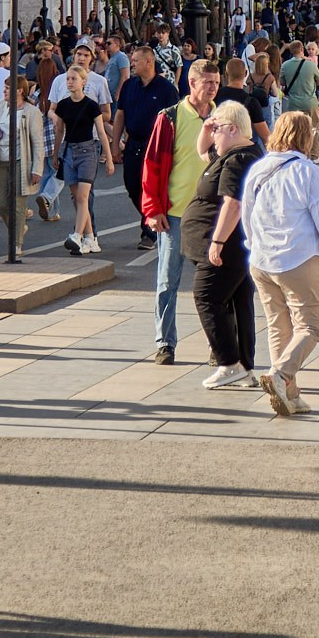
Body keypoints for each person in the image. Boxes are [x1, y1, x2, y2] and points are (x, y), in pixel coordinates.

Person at [241, 111, 319, 416]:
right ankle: (281, 375)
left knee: (279, 327)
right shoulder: (308, 172)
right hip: (298, 257)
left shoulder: (259, 168)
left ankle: (290, 394)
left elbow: (247, 213)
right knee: (311, 326)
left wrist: (254, 245)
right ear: (307, 136)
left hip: (262, 259)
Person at [140, 59, 222, 365]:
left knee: (215, 283)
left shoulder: (223, 117)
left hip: (213, 213)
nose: (213, 88)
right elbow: (152, 165)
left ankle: (218, 344)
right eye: (208, 82)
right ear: (192, 83)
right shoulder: (170, 117)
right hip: (175, 212)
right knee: (167, 280)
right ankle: (165, 343)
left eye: (216, 83)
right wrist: (153, 209)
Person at [184, 100, 264, 391]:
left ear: (232, 129)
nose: (212, 135)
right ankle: (244, 368)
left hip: (226, 246)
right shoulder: (232, 153)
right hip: (232, 246)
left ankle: (229, 363)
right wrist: (207, 128)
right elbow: (202, 151)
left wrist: (217, 241)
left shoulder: (238, 159)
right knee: (238, 302)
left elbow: (233, 204)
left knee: (207, 296)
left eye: (216, 129)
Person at [112, 47, 177, 252]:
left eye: (136, 61)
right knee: (132, 186)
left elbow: (175, 122)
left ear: (149, 62)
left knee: (150, 187)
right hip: (134, 144)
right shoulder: (129, 85)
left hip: (156, 146)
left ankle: (149, 232)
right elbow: (120, 115)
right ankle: (151, 218)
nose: (132, 64)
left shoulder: (166, 89)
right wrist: (115, 145)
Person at [52, 65, 112, 256]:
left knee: (83, 196)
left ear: (83, 82)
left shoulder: (91, 105)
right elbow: (59, 131)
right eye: (68, 79)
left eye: (74, 79)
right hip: (69, 151)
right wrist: (55, 154)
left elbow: (101, 132)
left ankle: (77, 235)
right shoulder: (63, 105)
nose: (69, 82)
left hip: (88, 151)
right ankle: (90, 237)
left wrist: (109, 158)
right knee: (76, 197)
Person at [0, 68, 45, 257]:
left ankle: (16, 243)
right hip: (0, 160)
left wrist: (37, 169)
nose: (3, 91)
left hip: (21, 161)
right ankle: (18, 228)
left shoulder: (31, 112)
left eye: (7, 88)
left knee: (18, 204)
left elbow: (38, 142)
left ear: (19, 91)